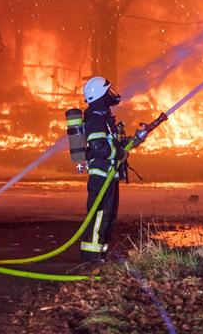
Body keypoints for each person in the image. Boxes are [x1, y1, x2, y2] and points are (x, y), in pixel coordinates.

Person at [77, 76, 127, 264]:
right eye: (108, 91)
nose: (112, 94)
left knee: (108, 216)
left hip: (109, 174)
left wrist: (127, 143)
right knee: (99, 215)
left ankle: (100, 255)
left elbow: (110, 144)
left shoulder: (102, 117)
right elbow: (99, 148)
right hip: (101, 175)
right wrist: (119, 153)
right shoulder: (95, 118)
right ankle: (91, 257)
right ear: (101, 94)